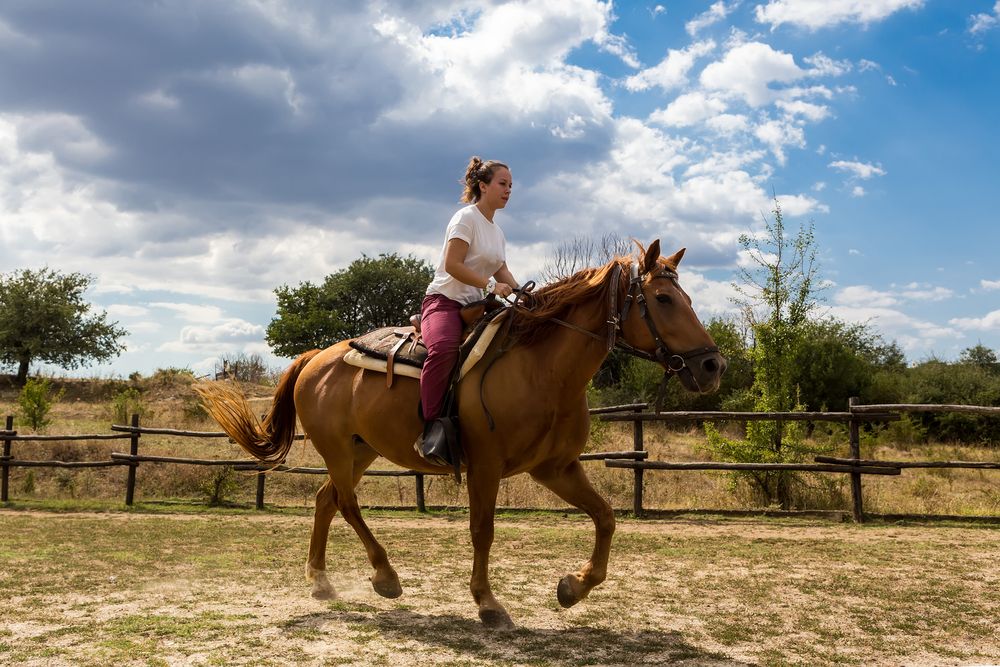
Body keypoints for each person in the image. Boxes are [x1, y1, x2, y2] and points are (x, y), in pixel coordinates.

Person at [417, 156, 519, 464]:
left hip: (476, 308)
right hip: (444, 302)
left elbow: (505, 275)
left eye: (511, 186)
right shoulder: (466, 218)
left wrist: (529, 297)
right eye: (503, 184)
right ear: (483, 186)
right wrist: (490, 287)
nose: (508, 190)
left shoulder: (497, 233)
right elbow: (452, 265)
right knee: (446, 349)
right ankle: (432, 429)